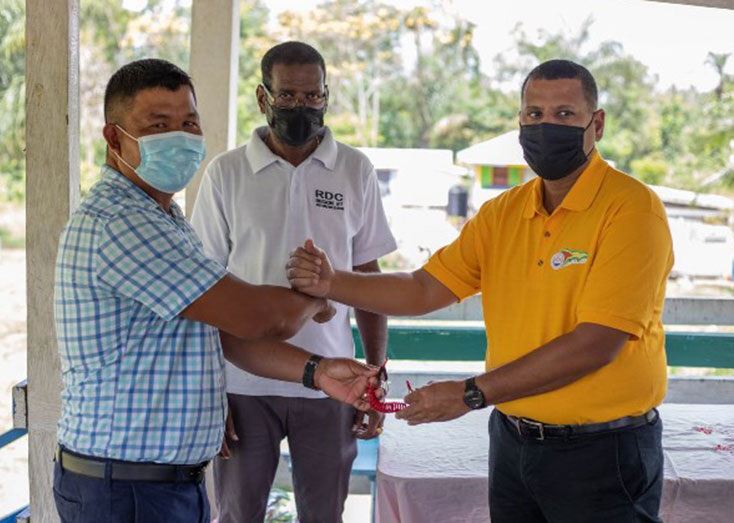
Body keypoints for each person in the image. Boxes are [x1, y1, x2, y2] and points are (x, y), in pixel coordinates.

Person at [287, 59, 673, 522]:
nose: (546, 126)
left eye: (564, 115)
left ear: (598, 123)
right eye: (533, 114)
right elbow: (423, 288)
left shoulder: (631, 210)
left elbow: (596, 344)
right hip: (513, 441)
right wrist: (334, 283)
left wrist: (471, 393)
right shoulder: (504, 213)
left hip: (602, 452)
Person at [52, 58, 378, 523]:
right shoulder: (121, 222)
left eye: (189, 123)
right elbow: (257, 318)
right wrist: (323, 293)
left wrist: (319, 371)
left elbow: (221, 334)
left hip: (159, 483)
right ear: (114, 137)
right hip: (124, 488)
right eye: (158, 125)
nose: (180, 137)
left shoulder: (166, 221)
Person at [190, 41, 396, 522]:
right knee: (237, 515)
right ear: (263, 98)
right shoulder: (227, 173)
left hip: (333, 383)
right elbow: (202, 291)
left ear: (327, 96)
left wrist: (376, 371)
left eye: (312, 96)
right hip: (243, 384)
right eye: (287, 96)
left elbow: (368, 278)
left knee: (324, 515)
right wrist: (208, 392)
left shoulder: (354, 169)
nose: (301, 107)